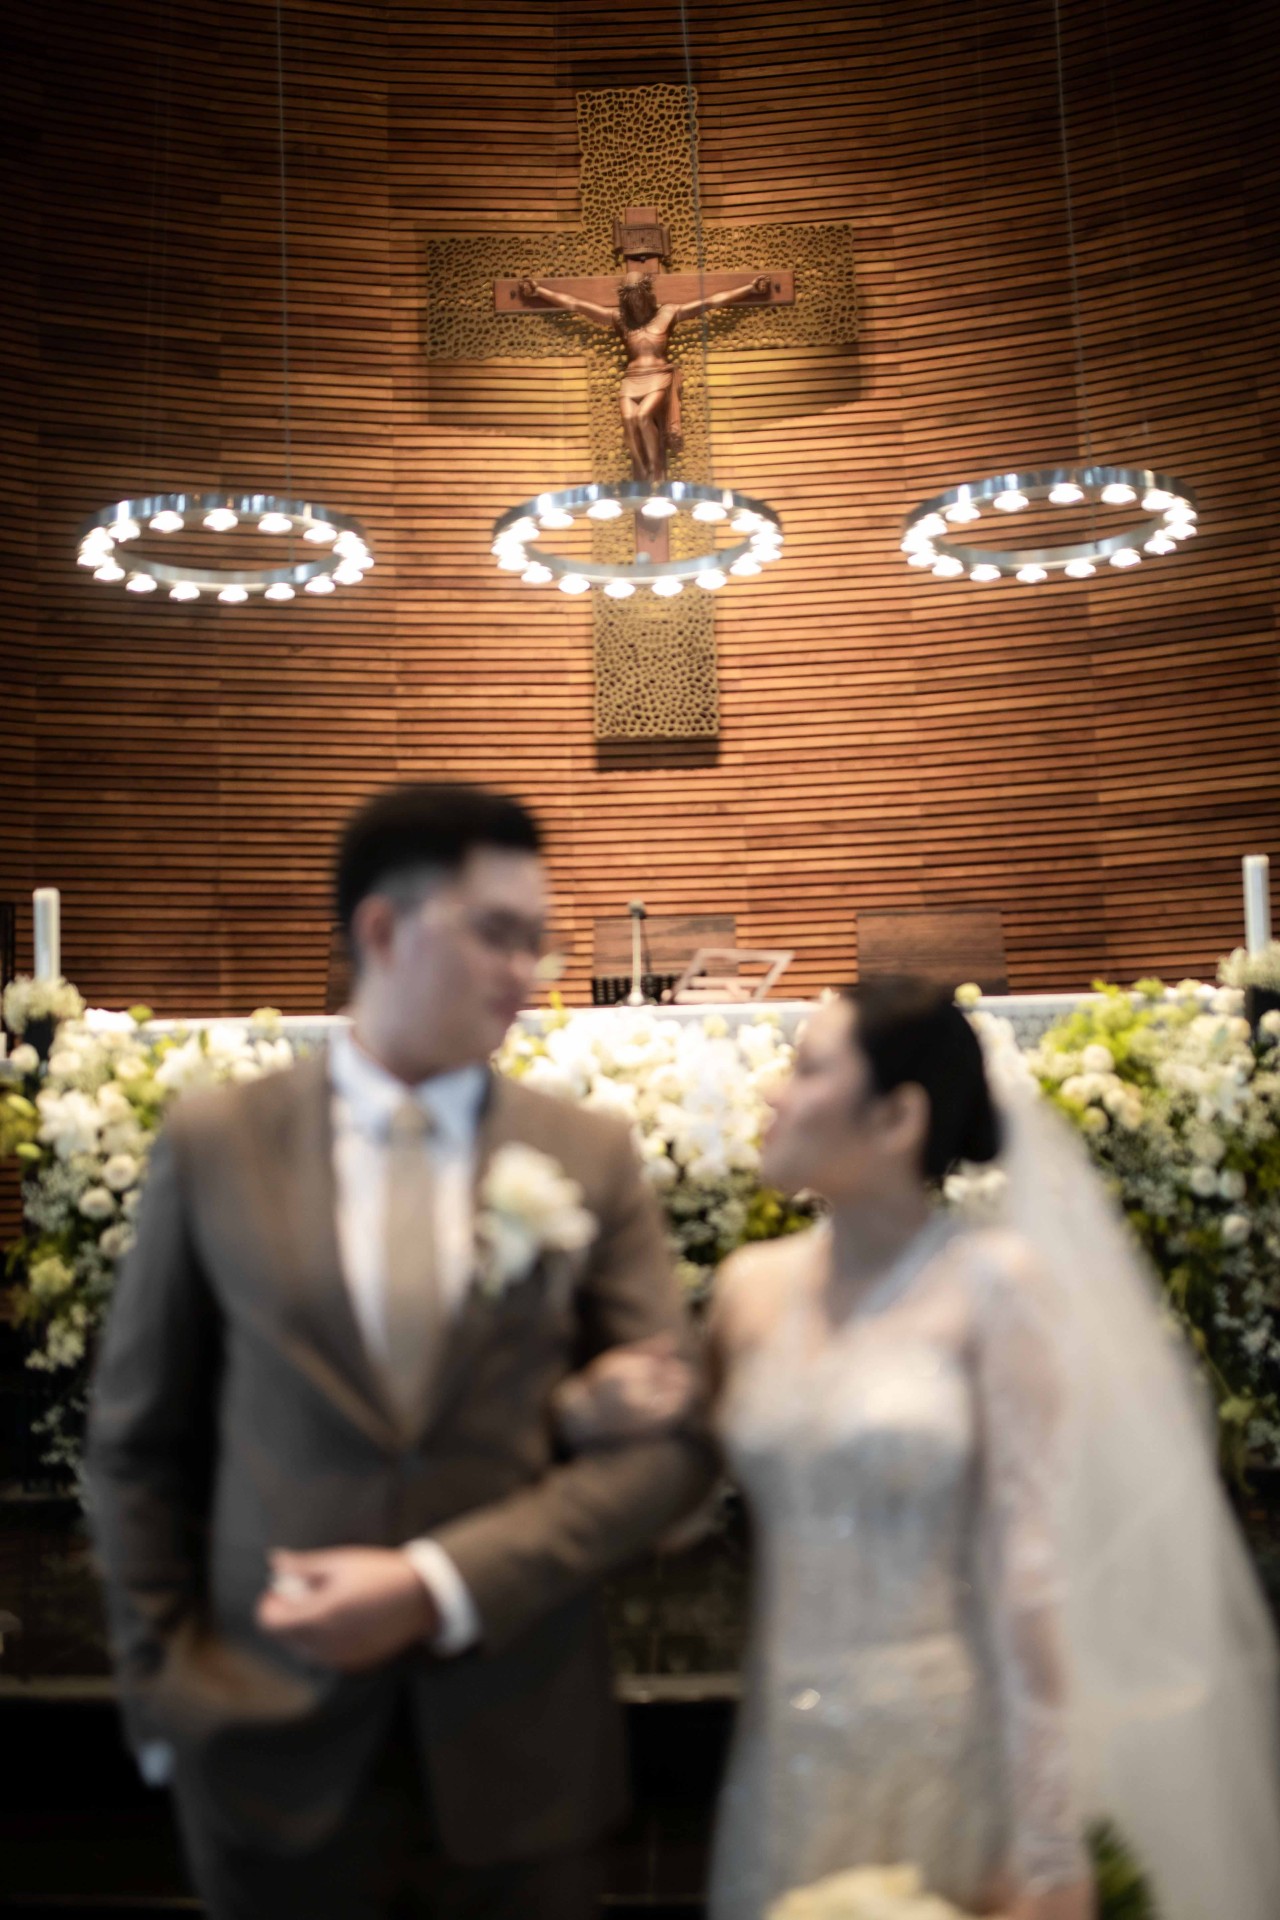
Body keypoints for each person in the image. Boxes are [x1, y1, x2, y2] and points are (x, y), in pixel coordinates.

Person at [85, 782, 716, 1920]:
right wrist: (167, 1701)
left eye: (537, 940)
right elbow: (139, 1443)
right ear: (381, 929)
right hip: (267, 1751)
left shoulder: (586, 1152)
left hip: (520, 1751)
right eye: (496, 933)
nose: (525, 972)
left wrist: (438, 1585)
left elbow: (670, 1446)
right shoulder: (220, 1144)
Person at [568, 980, 1280, 1920]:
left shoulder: (992, 1289)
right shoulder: (748, 1290)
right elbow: (686, 1512)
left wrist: (1047, 1837)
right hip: (784, 1747)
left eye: (808, 1068)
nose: (772, 1092)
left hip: (941, 1745)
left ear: (897, 1116)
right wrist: (593, 1416)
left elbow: (1028, 1570)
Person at [517, 272, 770, 484]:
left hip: (658, 376)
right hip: (632, 379)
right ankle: (640, 470)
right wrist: (538, 291)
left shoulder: (668, 313)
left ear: (647, 297)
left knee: (642, 416)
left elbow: (711, 302)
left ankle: (655, 468)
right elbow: (576, 304)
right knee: (629, 421)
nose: (637, 306)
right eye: (632, 301)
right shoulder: (620, 319)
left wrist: (750, 289)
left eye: (640, 299)